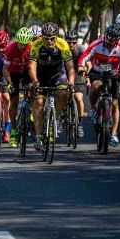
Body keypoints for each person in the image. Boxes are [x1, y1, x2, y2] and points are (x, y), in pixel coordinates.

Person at [28, 22, 76, 150]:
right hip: (41, 77)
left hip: (58, 75)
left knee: (63, 92)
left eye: (52, 38)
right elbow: (32, 66)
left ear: (56, 37)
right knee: (38, 103)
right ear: (42, 37)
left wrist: (71, 82)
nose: (49, 41)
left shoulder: (63, 45)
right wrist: (34, 81)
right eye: (46, 38)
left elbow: (70, 67)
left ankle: (57, 118)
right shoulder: (36, 45)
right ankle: (38, 138)